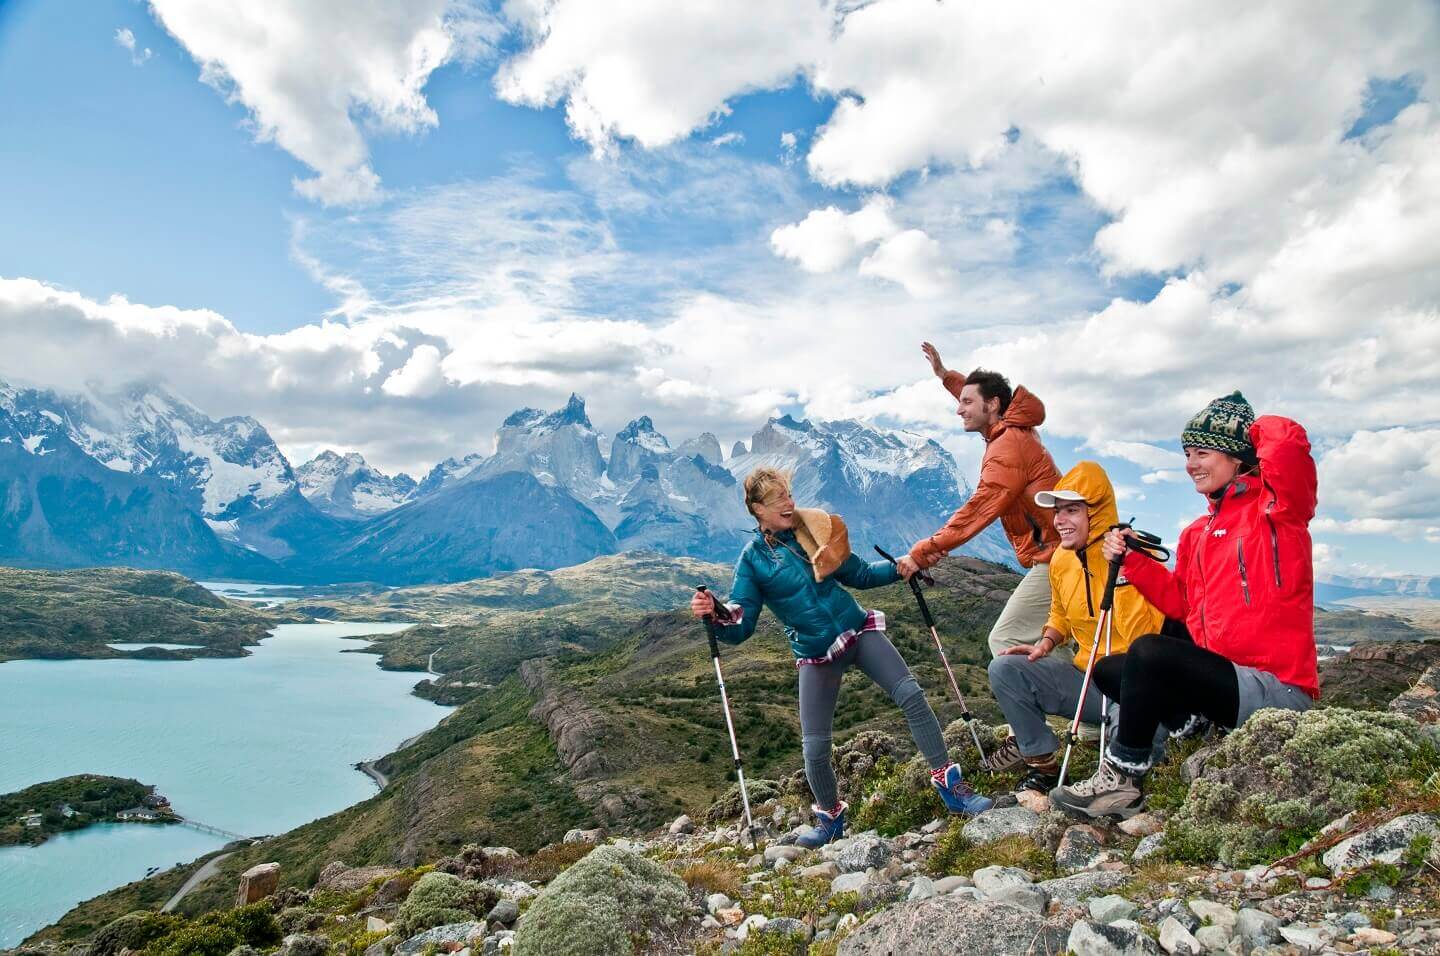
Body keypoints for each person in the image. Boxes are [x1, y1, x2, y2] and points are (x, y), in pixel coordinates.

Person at [691, 467, 992, 848]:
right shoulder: (752, 561)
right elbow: (741, 624)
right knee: (815, 748)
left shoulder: (813, 528)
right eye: (777, 499)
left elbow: (861, 574)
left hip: (857, 630)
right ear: (756, 509)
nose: (789, 502)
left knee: (912, 696)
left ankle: (951, 787)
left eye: (788, 493)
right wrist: (715, 613)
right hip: (816, 655)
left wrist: (903, 567)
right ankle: (830, 818)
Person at [1051, 393, 1319, 820]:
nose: (1191, 463)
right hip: (1224, 683)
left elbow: (1289, 445)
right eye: (1187, 453)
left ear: (1238, 456)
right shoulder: (1198, 532)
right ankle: (1189, 726)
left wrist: (1249, 430)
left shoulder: (1277, 511)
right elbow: (1182, 604)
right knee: (1109, 670)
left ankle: (1122, 779)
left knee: (1149, 651)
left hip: (1277, 688)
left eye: (1204, 452)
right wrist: (1132, 561)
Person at [985, 461, 1165, 795]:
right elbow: (1060, 612)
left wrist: (1124, 571)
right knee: (1005, 668)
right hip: (1088, 684)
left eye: (1071, 510)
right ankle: (1042, 762)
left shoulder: (1138, 556)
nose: (1059, 521)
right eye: (1057, 512)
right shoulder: (1061, 559)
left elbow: (1148, 633)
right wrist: (1047, 641)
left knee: (1139, 753)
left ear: (1096, 513)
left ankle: (1128, 761)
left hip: (1134, 686)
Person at [897, 343, 1063, 658]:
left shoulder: (1007, 448)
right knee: (1052, 647)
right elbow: (980, 400)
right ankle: (1082, 702)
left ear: (993, 405)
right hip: (1061, 554)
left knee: (1005, 640)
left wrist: (921, 553)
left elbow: (977, 512)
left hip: (1057, 558)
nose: (959, 409)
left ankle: (1080, 705)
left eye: (967, 402)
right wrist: (946, 376)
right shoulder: (1009, 428)